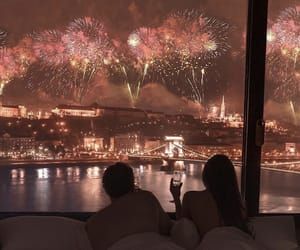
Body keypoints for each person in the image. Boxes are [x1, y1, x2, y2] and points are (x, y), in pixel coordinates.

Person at [86, 162, 172, 250]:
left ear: (105, 187)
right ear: (132, 183)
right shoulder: (147, 199)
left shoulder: (94, 223)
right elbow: (168, 228)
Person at [170, 154, 250, 240]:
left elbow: (182, 228)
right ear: (231, 177)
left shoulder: (191, 198)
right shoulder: (239, 203)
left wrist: (176, 197)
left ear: (206, 175)